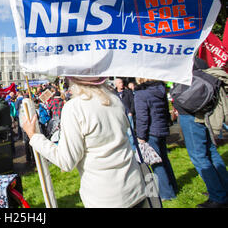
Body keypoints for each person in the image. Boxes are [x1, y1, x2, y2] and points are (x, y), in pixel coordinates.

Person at [22, 77, 147, 208]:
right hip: (135, 188)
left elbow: (66, 161)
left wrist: (34, 136)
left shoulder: (75, 108)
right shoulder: (114, 99)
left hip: (106, 198)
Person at [173, 58, 228, 208]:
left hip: (190, 115)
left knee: (199, 156)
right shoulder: (200, 62)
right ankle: (222, 189)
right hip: (204, 113)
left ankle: (218, 196)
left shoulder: (184, 62)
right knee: (211, 152)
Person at [134, 78, 178, 201]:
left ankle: (166, 193)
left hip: (151, 132)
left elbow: (142, 118)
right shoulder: (161, 90)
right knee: (164, 160)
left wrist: (141, 136)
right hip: (161, 129)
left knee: (157, 164)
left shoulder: (141, 93)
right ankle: (173, 187)